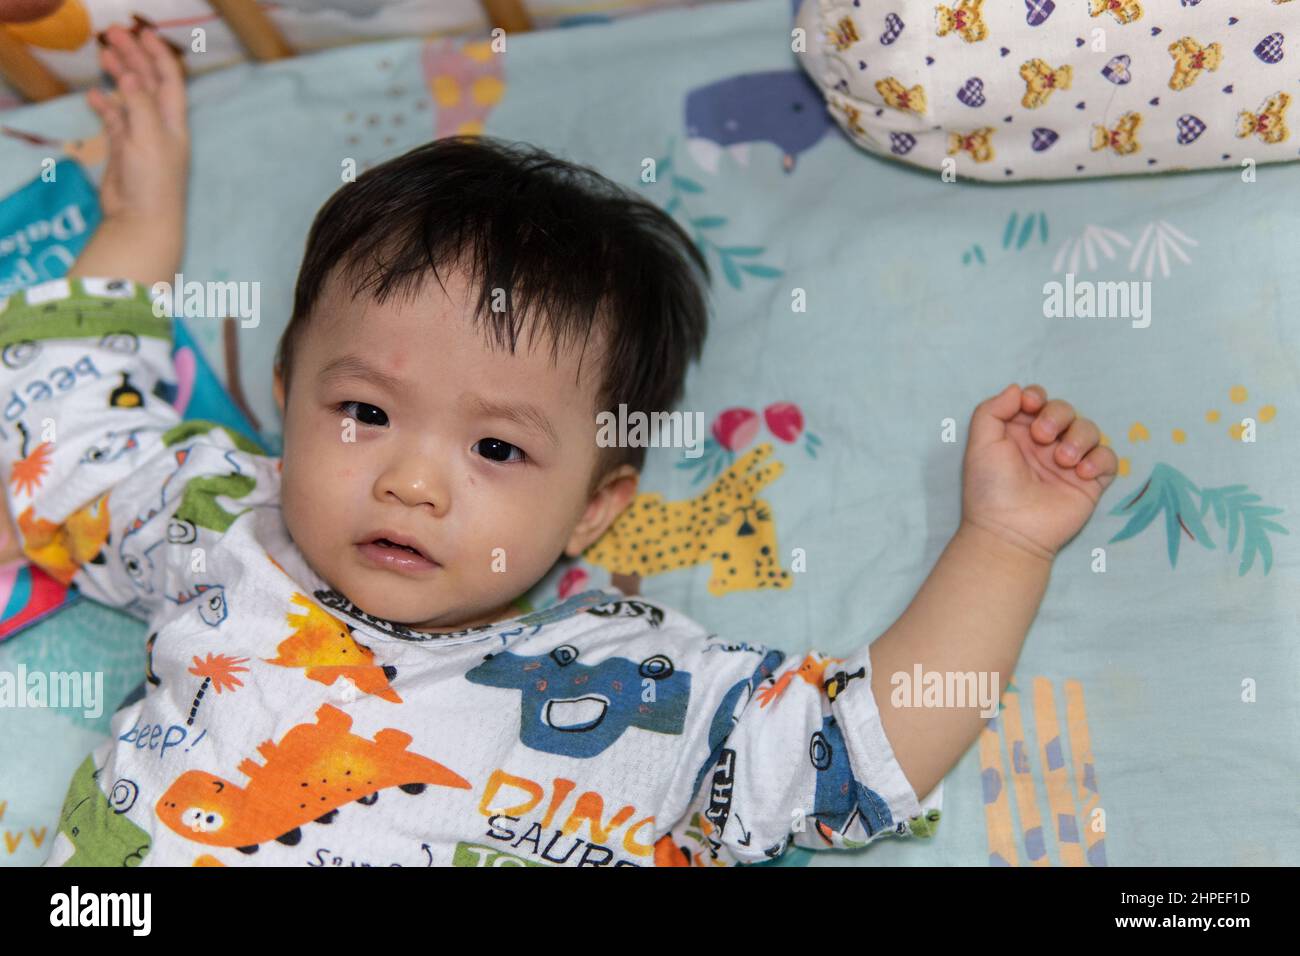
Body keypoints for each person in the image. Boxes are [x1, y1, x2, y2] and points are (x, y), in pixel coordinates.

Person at [1, 23, 1117, 866]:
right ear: (286, 396)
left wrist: (1006, 540)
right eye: (365, 411)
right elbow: (67, 418)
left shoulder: (625, 686)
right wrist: (139, 230)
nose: (410, 478)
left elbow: (851, 753)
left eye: (497, 448)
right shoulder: (218, 521)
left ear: (596, 503)